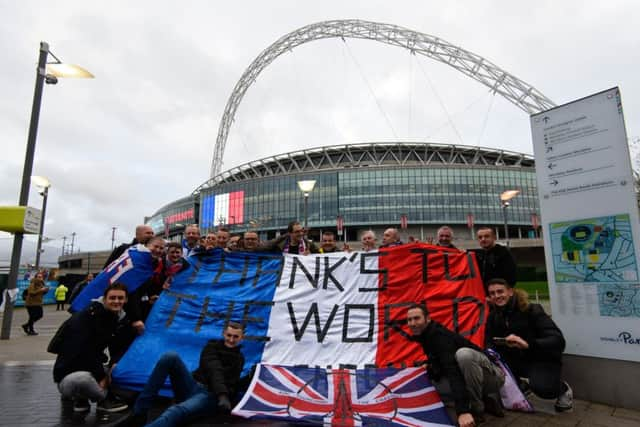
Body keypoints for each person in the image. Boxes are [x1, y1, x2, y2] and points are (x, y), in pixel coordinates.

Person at [126, 321, 246, 427]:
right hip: (193, 386)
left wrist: (224, 393)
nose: (231, 340)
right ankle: (139, 413)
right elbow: (214, 369)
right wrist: (223, 394)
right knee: (170, 357)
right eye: (229, 335)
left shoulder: (240, 359)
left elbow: (231, 383)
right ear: (223, 333)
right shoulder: (211, 347)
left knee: (174, 412)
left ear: (241, 338)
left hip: (209, 396)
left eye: (235, 337)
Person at [407, 303, 505, 426]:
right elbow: (442, 359)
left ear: (428, 319)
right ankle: (486, 399)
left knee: (464, 355)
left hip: (494, 376)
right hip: (476, 376)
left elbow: (453, 371)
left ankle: (476, 408)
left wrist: (462, 411)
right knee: (430, 386)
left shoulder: (438, 336)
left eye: (416, 318)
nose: (412, 323)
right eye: (409, 320)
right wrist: (429, 364)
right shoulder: (427, 335)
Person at [485, 278, 573, 412]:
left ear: (510, 292)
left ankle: (562, 389)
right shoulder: (493, 316)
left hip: (541, 358)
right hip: (514, 360)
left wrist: (528, 344)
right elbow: (489, 341)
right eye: (492, 293)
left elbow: (557, 340)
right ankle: (522, 386)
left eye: (500, 291)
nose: (496, 296)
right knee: (492, 369)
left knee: (542, 388)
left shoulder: (532, 310)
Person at [53, 282, 130, 413]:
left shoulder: (115, 318)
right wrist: (101, 377)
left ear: (126, 300)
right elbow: (85, 351)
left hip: (89, 367)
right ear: (104, 299)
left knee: (117, 371)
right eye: (112, 298)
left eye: (120, 298)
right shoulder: (88, 317)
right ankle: (104, 399)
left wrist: (114, 364)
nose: (116, 301)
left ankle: (82, 398)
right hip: (69, 376)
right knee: (82, 379)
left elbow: (118, 346)